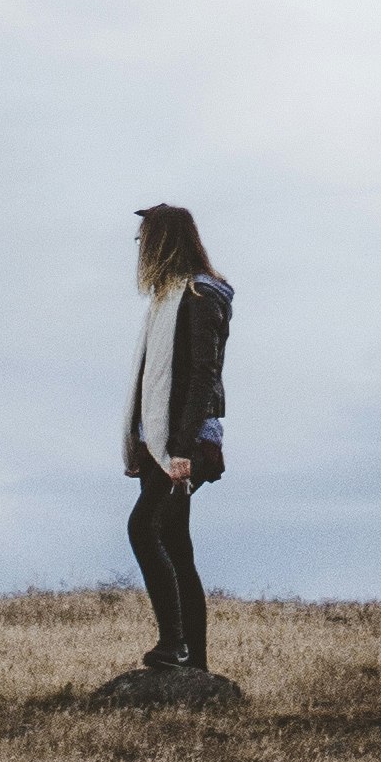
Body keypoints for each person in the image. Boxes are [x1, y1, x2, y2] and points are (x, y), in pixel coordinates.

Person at [123, 200, 231, 676]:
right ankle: (196, 665)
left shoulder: (199, 298)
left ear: (164, 242)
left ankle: (175, 645)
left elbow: (202, 378)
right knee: (175, 542)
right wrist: (147, 444)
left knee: (144, 529)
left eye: (145, 238)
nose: (140, 246)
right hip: (161, 443)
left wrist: (182, 450)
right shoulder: (167, 300)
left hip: (184, 444)